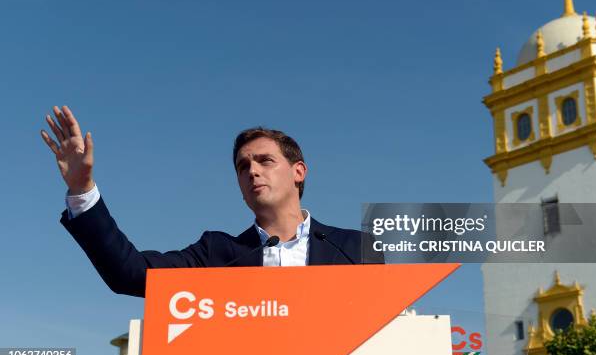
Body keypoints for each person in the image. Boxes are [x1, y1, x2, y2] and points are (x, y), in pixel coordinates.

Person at [41, 106, 383, 298]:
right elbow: (129, 273)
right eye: (243, 166)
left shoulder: (356, 248)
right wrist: (82, 188)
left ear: (299, 172)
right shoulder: (215, 253)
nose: (252, 172)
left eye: (265, 161)